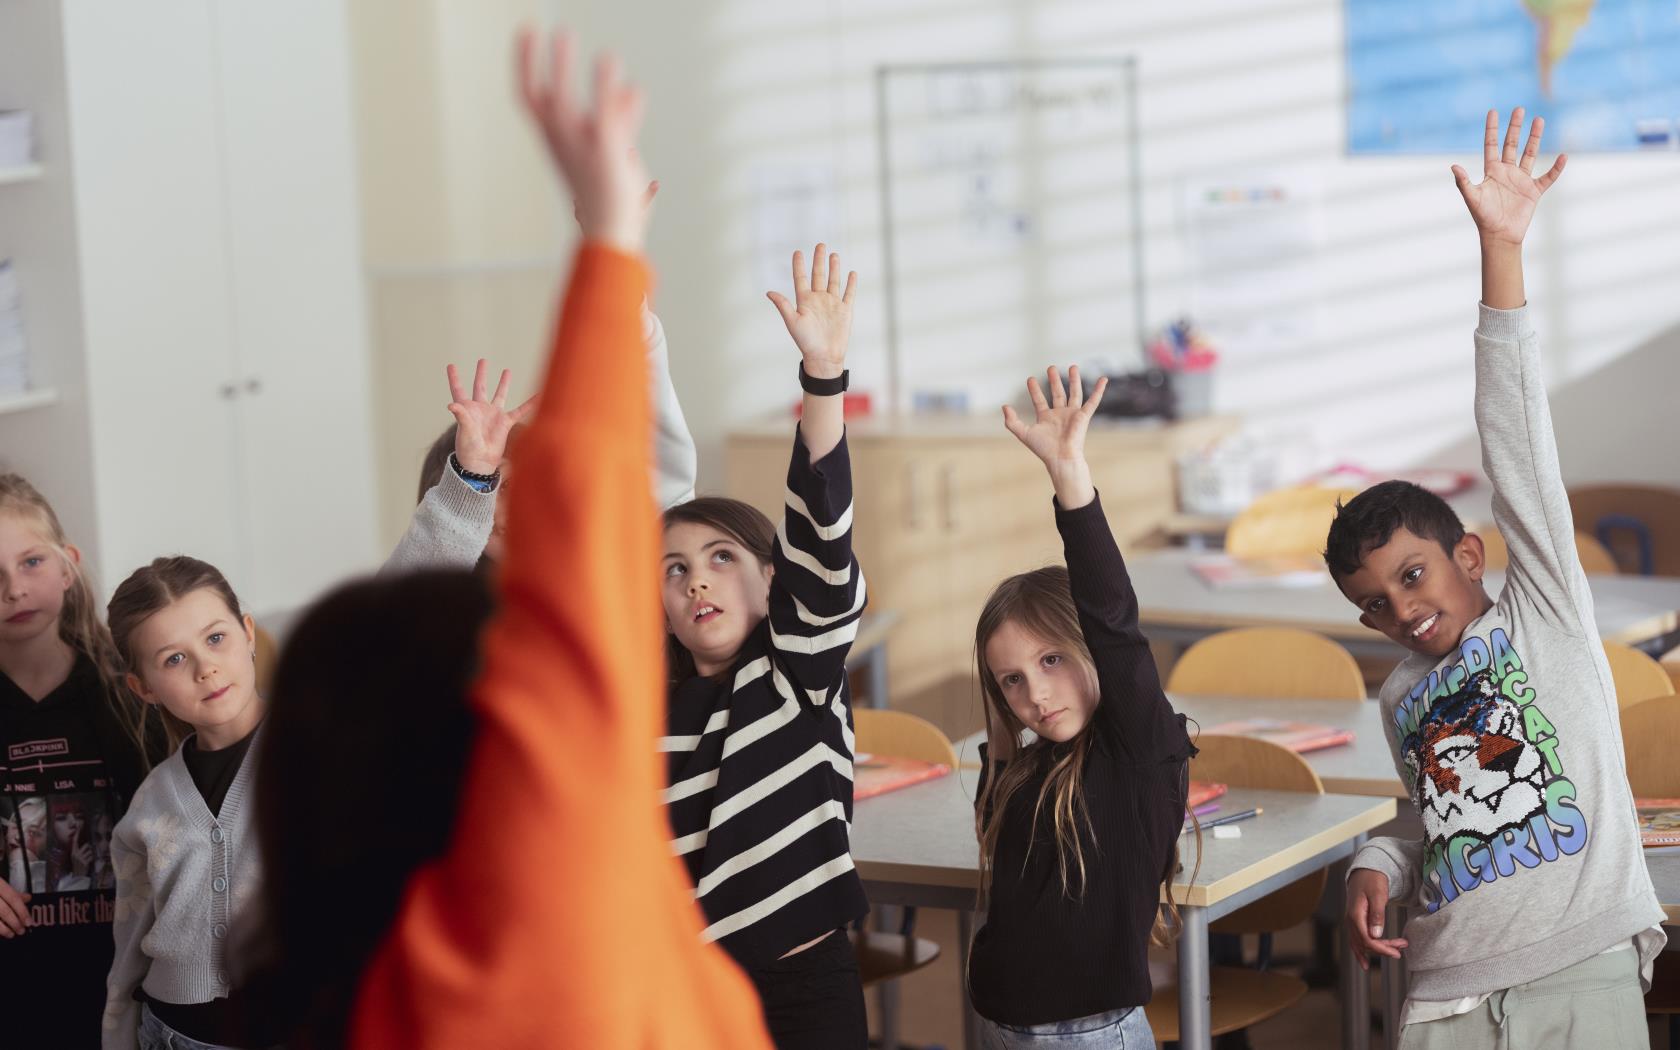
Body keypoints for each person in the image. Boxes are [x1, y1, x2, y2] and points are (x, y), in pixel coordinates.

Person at [251, 28, 775, 1050]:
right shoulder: (551, 920)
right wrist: (610, 249)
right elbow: (585, 520)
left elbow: (599, 511)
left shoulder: (374, 982)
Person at [1329, 108, 1665, 1049]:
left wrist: (1502, 253)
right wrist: (1376, 866)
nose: (1403, 611)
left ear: (1469, 556)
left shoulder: (1543, 612)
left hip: (1576, 970)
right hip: (1443, 991)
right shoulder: (1402, 693)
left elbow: (1517, 440)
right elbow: (1434, 823)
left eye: (1414, 575)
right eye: (1376, 604)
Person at [659, 239, 867, 1049]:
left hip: (802, 985)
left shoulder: (795, 673)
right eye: (674, 572)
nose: (697, 582)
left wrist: (823, 379)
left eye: (720, 559)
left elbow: (820, 532)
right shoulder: (653, 703)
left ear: (772, 581)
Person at [967, 366, 1196, 1048]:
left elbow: (1114, 621)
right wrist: (1001, 743)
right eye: (1010, 680)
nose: (1034, 693)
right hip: (1003, 1031)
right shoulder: (1024, 770)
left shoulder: (1139, 750)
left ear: (1087, 648)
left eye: (1051, 661)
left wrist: (1069, 474)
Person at [0, 474, 170, 1049]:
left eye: (30, 562)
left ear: (67, 566)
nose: (13, 589)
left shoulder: (130, 690)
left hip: (119, 994)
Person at [103, 556, 270, 1050]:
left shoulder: (315, 746)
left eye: (215, 638)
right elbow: (130, 942)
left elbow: (399, 605)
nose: (205, 667)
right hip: (170, 1036)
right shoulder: (151, 802)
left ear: (248, 634)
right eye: (174, 659)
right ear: (144, 688)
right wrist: (116, 1032)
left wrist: (466, 484)